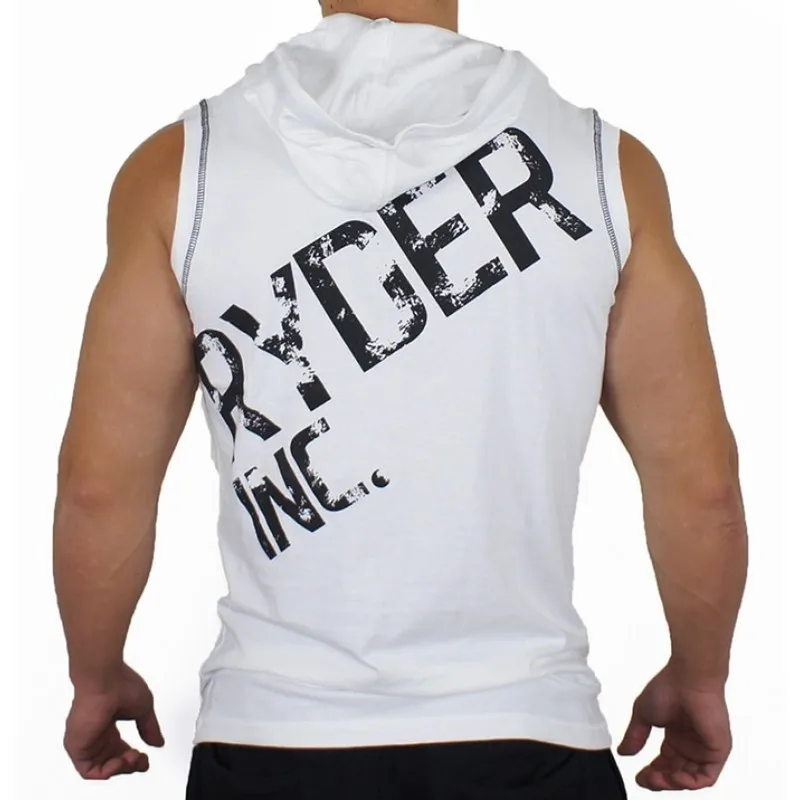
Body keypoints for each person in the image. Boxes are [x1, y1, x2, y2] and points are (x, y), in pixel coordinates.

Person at [52, 0, 748, 797]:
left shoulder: (181, 173)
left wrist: (94, 676)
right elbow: (701, 487)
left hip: (274, 739)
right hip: (530, 733)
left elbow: (99, 489)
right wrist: (701, 677)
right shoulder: (603, 169)